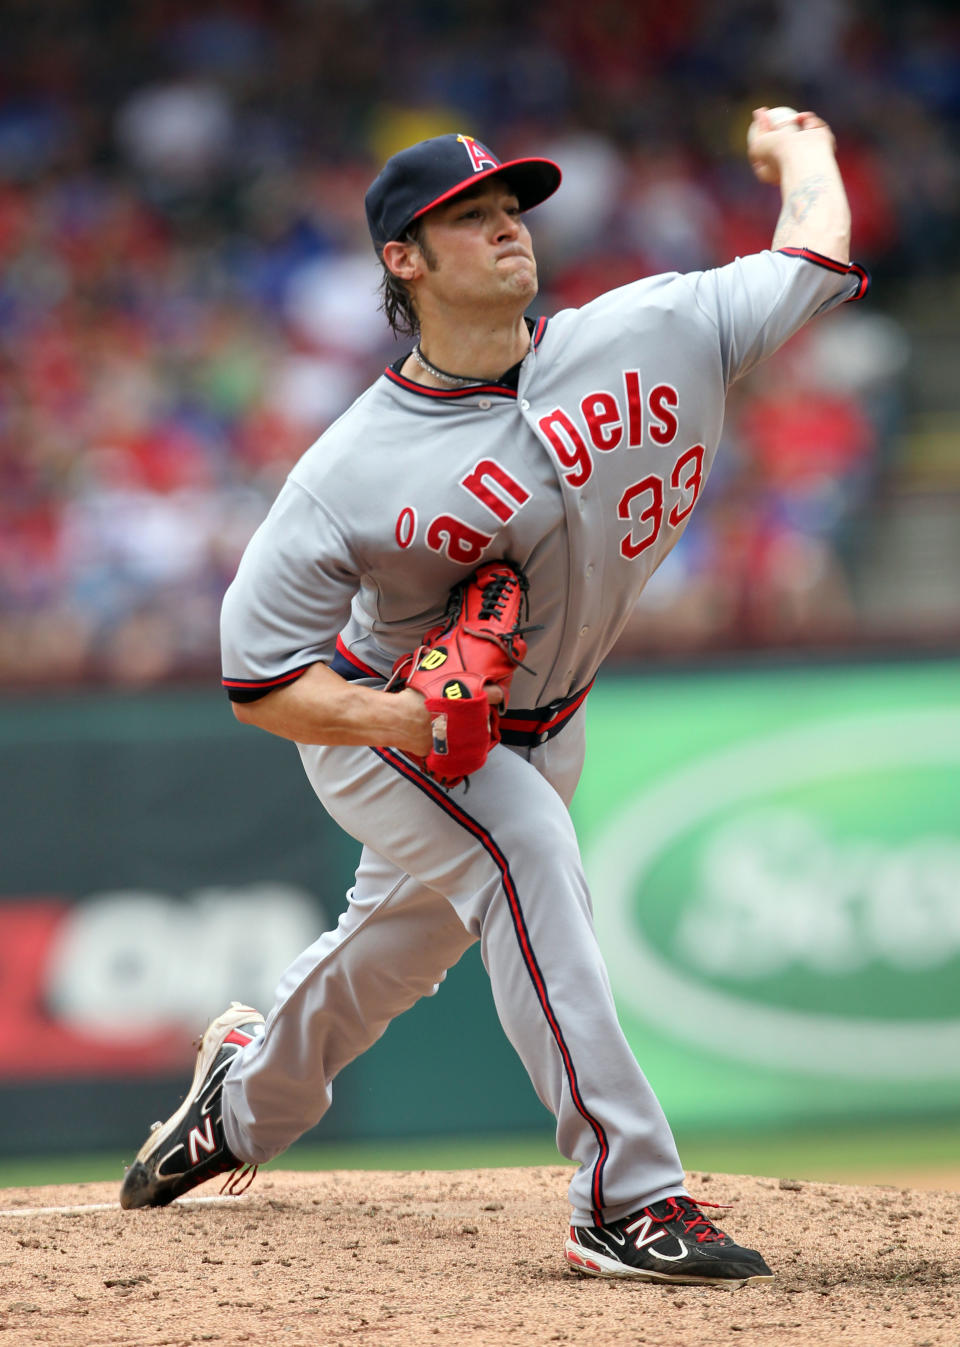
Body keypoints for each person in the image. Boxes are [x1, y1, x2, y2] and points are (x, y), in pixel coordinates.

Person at [120, 111, 867, 1285]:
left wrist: (801, 149)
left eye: (512, 207)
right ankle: (628, 1194)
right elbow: (259, 678)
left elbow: (816, 254)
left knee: (393, 952)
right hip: (388, 723)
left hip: (542, 719)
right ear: (403, 261)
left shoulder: (652, 328)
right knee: (524, 846)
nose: (506, 227)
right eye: (469, 216)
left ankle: (242, 1094)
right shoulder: (347, 470)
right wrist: (404, 721)